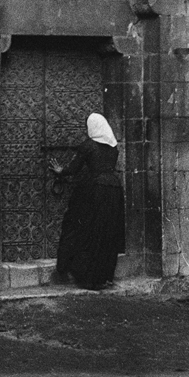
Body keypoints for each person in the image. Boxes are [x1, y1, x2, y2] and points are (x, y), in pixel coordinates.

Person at [48, 112, 126, 290]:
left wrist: (60, 171)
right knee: (107, 231)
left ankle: (87, 276)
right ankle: (105, 276)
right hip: (114, 189)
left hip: (95, 189)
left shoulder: (88, 146)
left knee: (87, 229)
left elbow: (74, 169)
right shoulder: (113, 147)